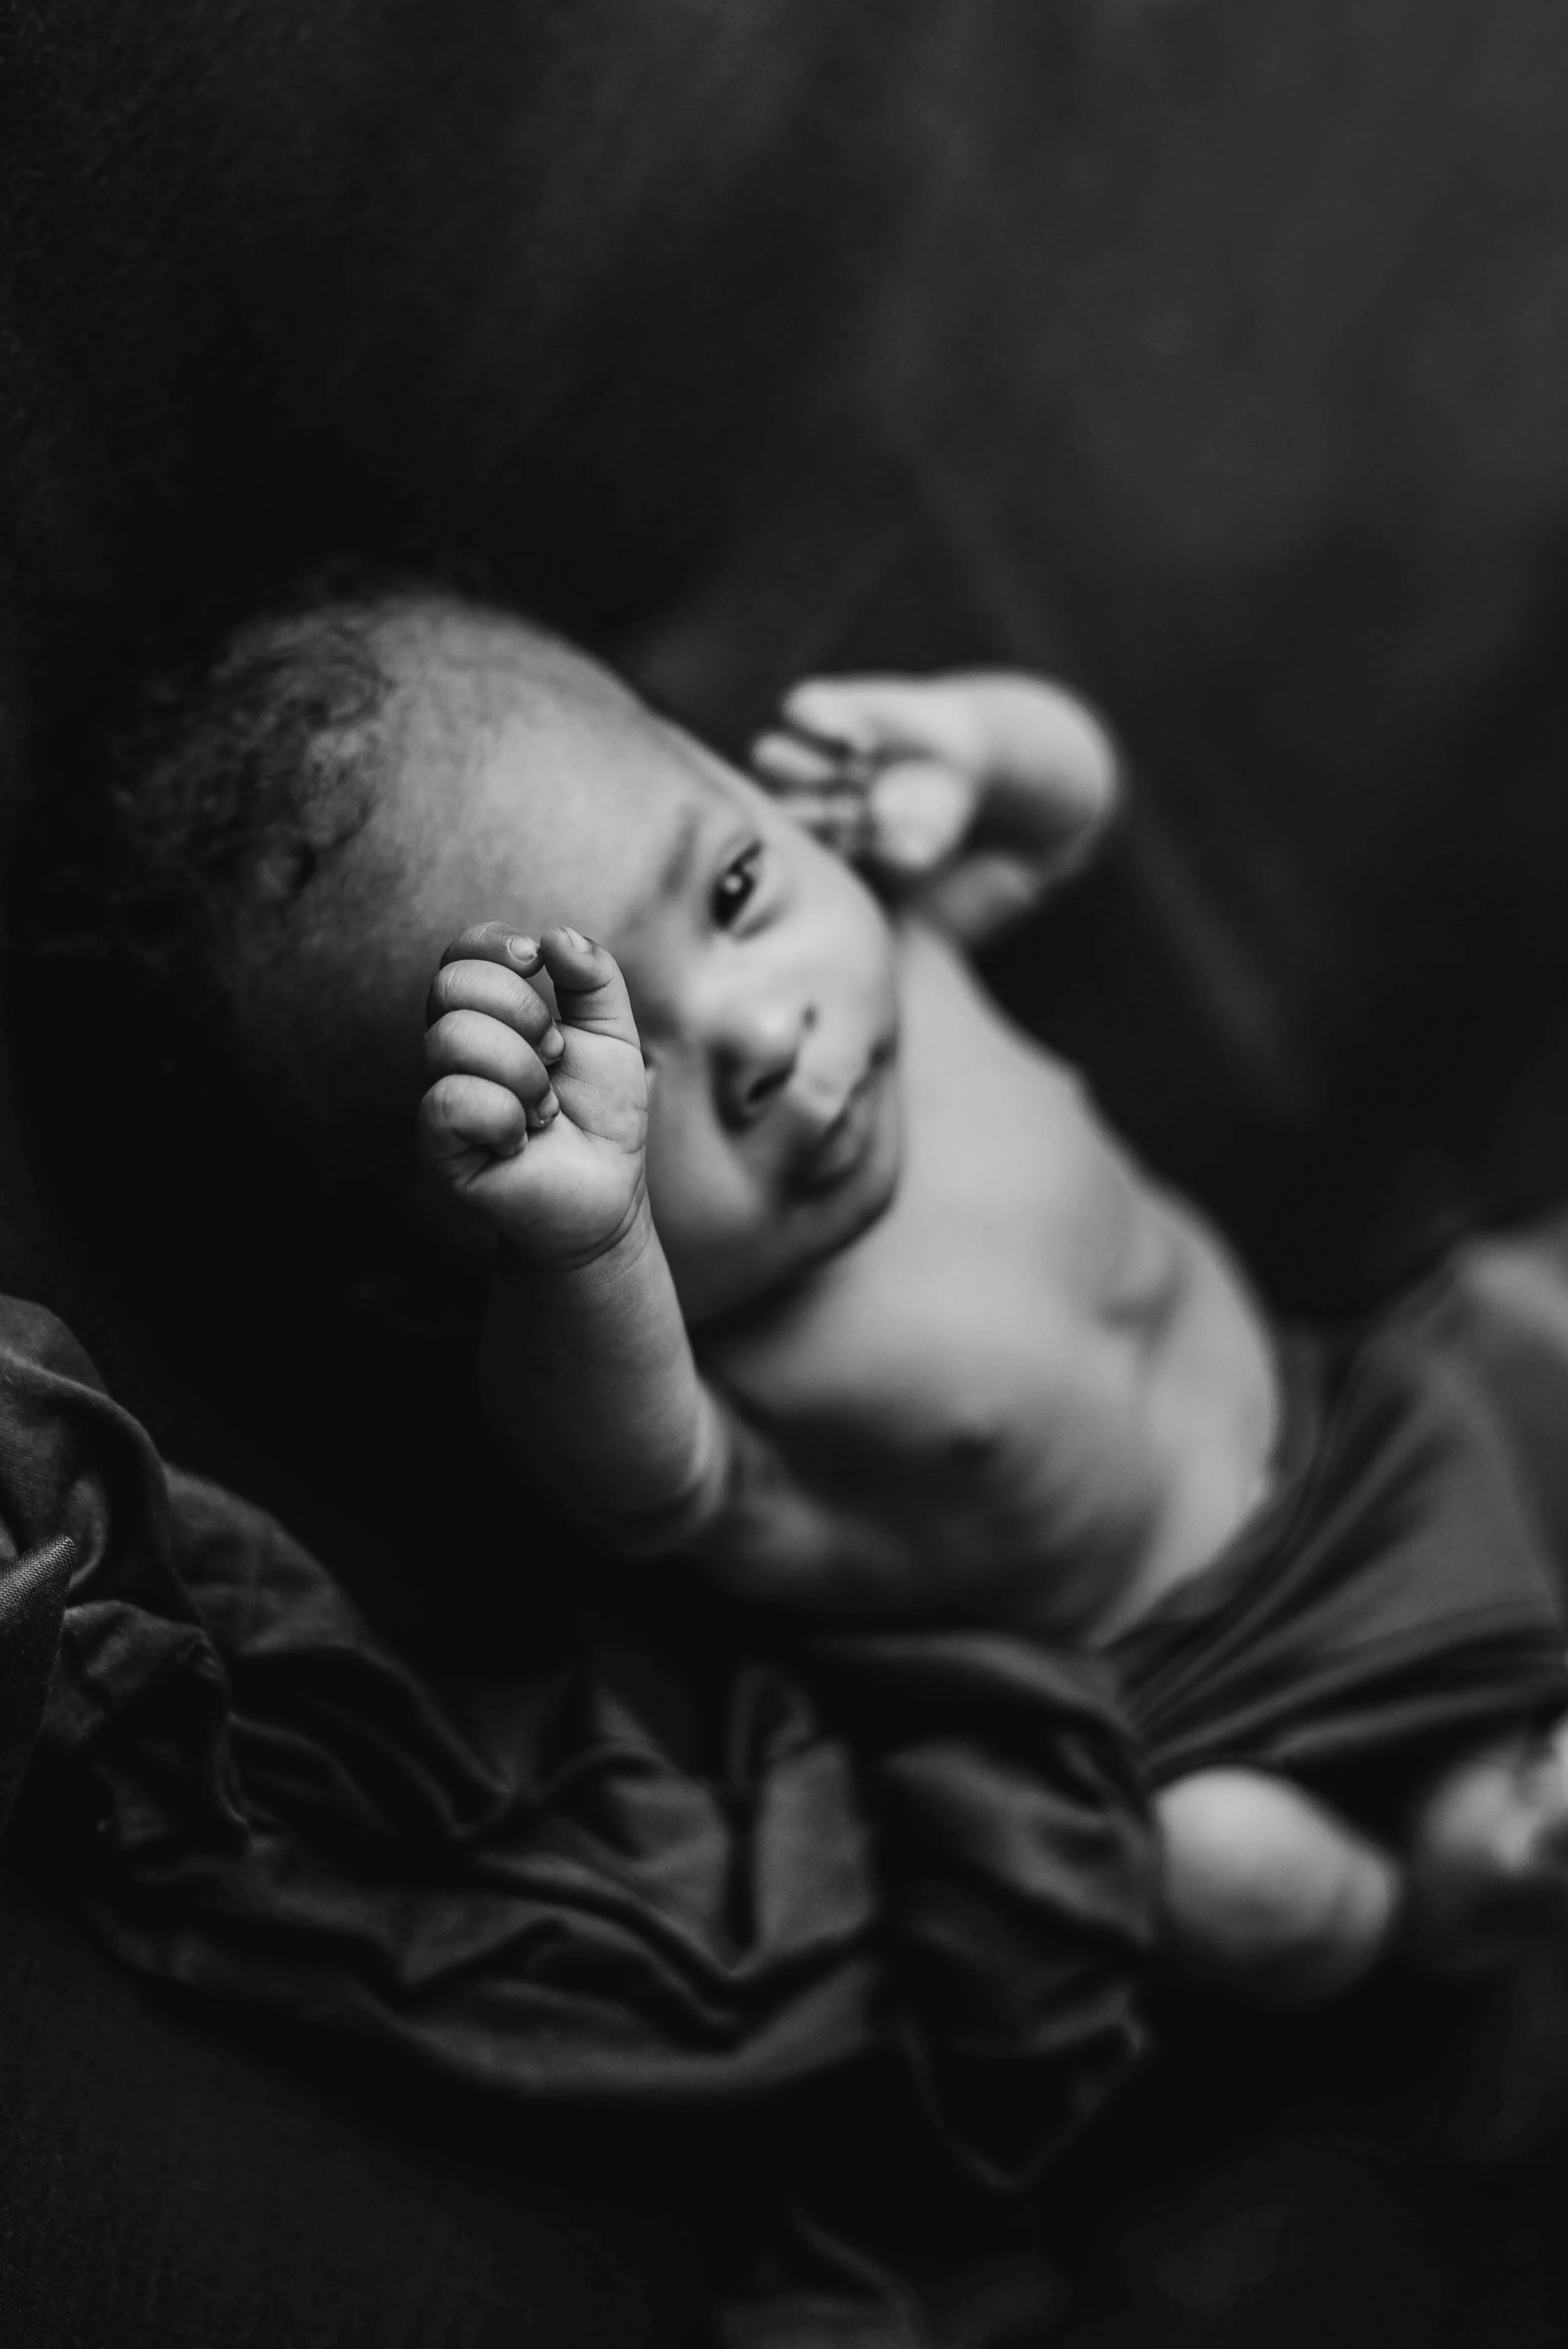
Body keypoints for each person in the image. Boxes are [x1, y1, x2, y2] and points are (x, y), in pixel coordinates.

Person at [379, 591, 1568, 2004]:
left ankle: (1503, 1771)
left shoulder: (905, 956)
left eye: (732, 895)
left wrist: (974, 745)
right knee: (1221, 1874)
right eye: (602, 1055)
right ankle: (1417, 1911)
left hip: (1368, 1438)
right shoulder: (710, 1364)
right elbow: (633, 1485)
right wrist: (584, 1251)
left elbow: (1062, 815)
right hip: (1211, 1691)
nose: (761, 1031)